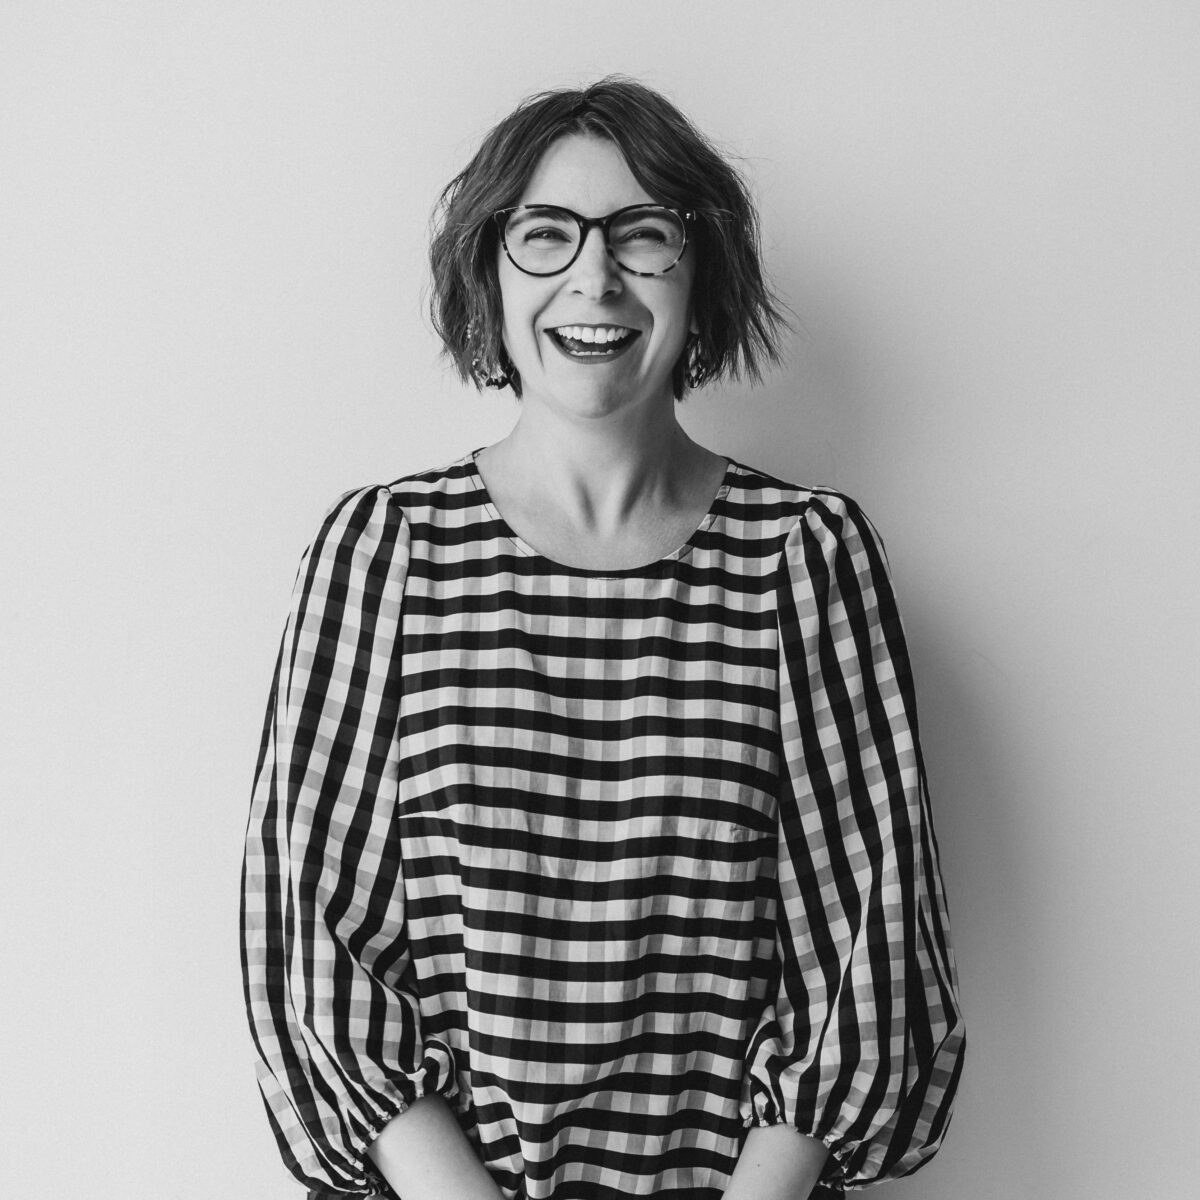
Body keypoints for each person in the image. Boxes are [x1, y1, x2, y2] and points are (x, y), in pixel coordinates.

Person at [241, 77, 965, 1200]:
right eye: (545, 234)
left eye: (643, 235)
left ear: (701, 273)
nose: (594, 277)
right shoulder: (384, 550)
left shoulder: (803, 557)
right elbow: (310, 945)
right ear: (487, 271)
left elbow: (867, 955)